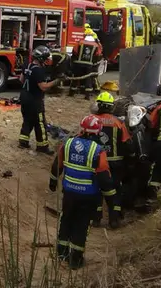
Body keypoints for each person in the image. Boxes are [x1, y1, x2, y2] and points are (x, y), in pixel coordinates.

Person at [49, 115, 119, 270]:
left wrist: (53, 182)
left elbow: (57, 165)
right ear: (98, 132)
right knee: (81, 225)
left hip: (69, 193)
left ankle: (61, 253)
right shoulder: (98, 151)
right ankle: (75, 259)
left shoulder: (68, 144)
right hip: (88, 196)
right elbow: (105, 180)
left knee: (66, 220)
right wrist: (112, 204)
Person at [93, 92, 133, 226]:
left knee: (97, 189)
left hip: (96, 162)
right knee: (115, 190)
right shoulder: (118, 123)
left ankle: (96, 219)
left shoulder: (92, 120)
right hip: (115, 163)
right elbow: (127, 142)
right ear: (111, 107)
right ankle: (114, 219)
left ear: (98, 105)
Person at [18, 45, 60, 155]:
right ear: (41, 59)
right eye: (46, 59)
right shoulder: (39, 71)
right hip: (35, 100)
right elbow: (43, 86)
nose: (47, 61)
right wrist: (56, 82)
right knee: (40, 122)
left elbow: (21, 79)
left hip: (24, 97)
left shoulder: (27, 65)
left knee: (27, 120)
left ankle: (23, 141)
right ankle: (42, 146)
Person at [69, 29, 102, 99]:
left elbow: (74, 51)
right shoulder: (96, 45)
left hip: (78, 64)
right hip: (89, 65)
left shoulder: (80, 43)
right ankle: (87, 96)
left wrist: (73, 61)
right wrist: (94, 63)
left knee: (75, 78)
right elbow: (98, 55)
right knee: (88, 79)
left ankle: (71, 93)